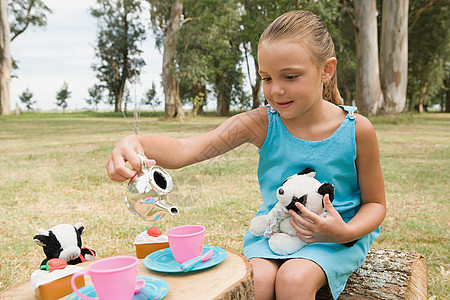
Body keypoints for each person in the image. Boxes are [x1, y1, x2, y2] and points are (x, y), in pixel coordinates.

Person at [105, 10, 386, 300]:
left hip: (335, 238)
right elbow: (188, 148)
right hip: (275, 229)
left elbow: (376, 204)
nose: (276, 90)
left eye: (290, 76)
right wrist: (135, 141)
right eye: (266, 78)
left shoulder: (356, 130)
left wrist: (344, 232)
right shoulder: (262, 123)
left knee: (294, 279)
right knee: (258, 282)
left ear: (326, 70)